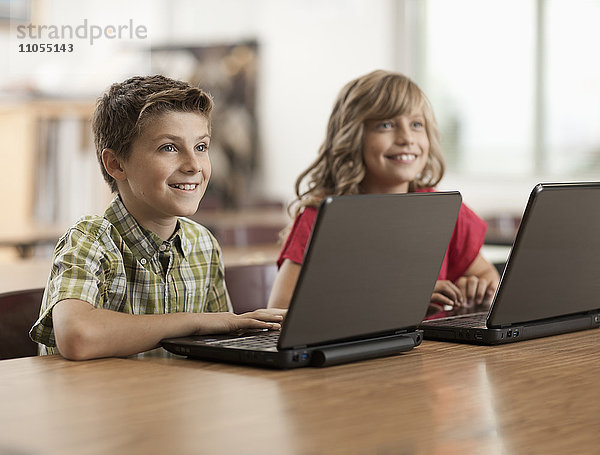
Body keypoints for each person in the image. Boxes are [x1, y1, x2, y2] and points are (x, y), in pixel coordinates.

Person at [30, 75, 285, 360]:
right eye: (169, 148)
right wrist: (195, 321)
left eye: (201, 147)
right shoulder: (89, 240)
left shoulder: (203, 244)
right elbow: (77, 336)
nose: (193, 165)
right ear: (115, 164)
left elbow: (216, 345)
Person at [267, 70, 499, 317]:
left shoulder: (444, 211)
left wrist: (479, 286)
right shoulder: (320, 217)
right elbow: (280, 310)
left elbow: (487, 275)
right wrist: (402, 298)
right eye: (386, 125)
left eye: (416, 124)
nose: (407, 138)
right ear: (353, 136)